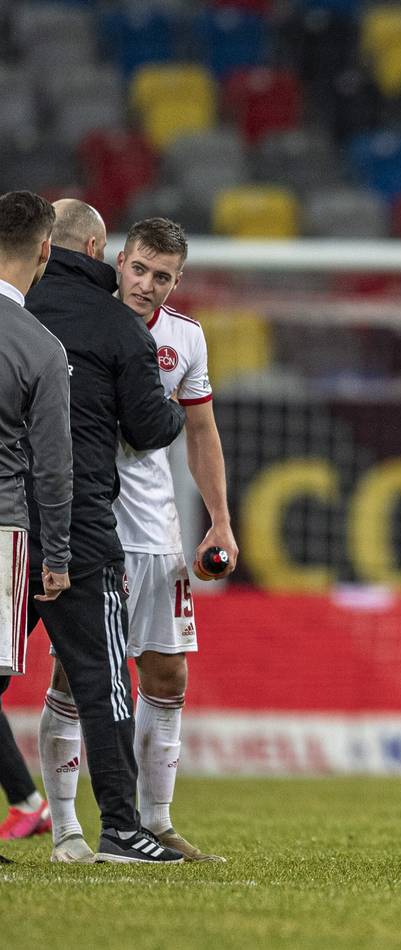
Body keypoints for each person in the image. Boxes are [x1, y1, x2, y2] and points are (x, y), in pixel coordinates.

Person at [38, 217, 238, 862]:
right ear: (117, 261)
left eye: (163, 277)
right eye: (140, 269)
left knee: (167, 672)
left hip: (154, 525)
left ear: (177, 282)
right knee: (78, 672)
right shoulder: (78, 317)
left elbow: (201, 431)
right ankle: (66, 825)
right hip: (88, 518)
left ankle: (156, 821)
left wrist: (220, 520)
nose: (148, 285)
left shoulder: (185, 339)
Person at [6, 198, 187, 864]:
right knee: (103, 679)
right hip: (79, 526)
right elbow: (147, 429)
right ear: (96, 252)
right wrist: (170, 409)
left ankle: (48, 819)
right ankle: (122, 827)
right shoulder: (119, 329)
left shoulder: (14, 317)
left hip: (5, 525)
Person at [0, 191, 73, 862]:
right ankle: (29, 804)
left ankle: (25, 804)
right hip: (5, 535)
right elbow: (53, 467)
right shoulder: (42, 348)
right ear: (45, 251)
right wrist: (57, 557)